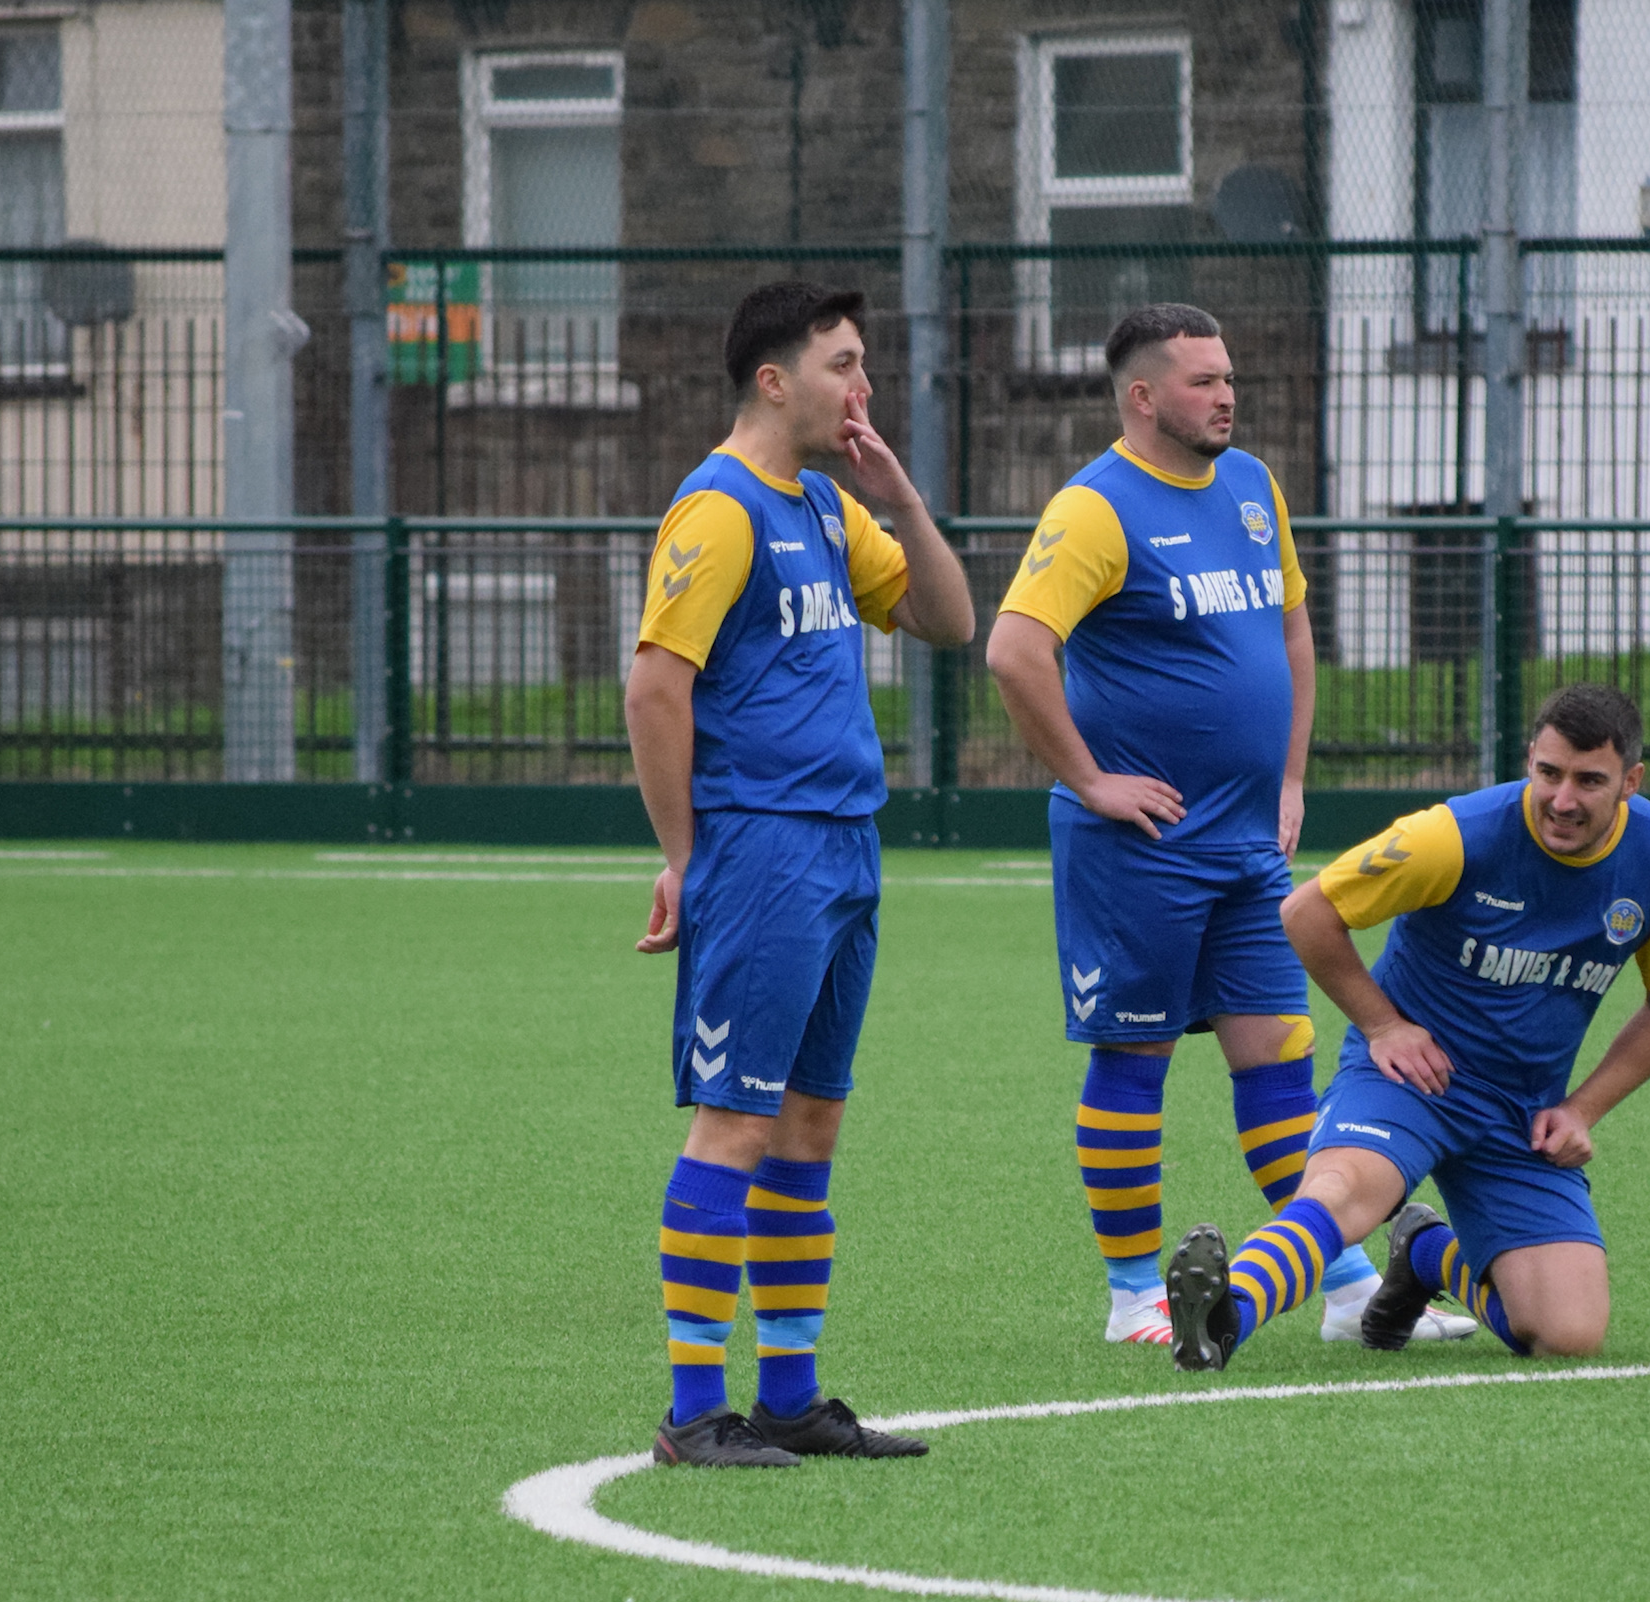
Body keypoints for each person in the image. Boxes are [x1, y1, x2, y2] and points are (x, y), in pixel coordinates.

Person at [986, 302, 1473, 1351]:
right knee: (1135, 1059)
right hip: (1143, 846)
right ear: (1142, 395)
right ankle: (1132, 1296)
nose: (1226, 395)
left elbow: (1292, 630)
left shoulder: (1252, 485)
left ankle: (1346, 1288)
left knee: (1279, 1056)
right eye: (1202, 380)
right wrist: (1092, 780)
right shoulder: (1094, 508)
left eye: (1229, 376)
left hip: (1250, 842)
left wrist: (1290, 773)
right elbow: (1014, 651)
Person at [627, 281, 974, 1465]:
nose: (862, 386)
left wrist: (902, 499)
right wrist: (688, 858)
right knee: (734, 1122)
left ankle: (788, 1396)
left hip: (845, 843)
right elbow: (654, 689)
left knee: (808, 1123)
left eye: (863, 363)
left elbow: (948, 620)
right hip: (764, 849)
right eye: (842, 364)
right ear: (773, 382)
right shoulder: (720, 507)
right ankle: (692, 1413)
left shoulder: (826, 507)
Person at [1162, 683, 1650, 1372]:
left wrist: (1582, 1109)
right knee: (1343, 1191)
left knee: (1567, 1334)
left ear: (1631, 781)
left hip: (1522, 1111)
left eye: (1589, 781)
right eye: (1548, 773)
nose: (1562, 799)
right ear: (1529, 760)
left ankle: (1426, 1252)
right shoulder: (1453, 835)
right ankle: (1226, 1316)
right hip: (1408, 1081)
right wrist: (1383, 1026)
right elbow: (1306, 912)